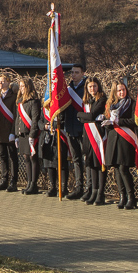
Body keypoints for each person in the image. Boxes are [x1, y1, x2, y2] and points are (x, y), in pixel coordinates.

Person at [102, 81, 138, 209]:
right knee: (116, 168)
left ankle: (131, 197)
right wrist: (107, 122)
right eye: (119, 91)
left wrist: (119, 121)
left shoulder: (131, 103)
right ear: (115, 92)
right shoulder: (111, 105)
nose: (122, 92)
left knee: (124, 168)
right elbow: (109, 123)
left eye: (123, 90)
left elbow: (134, 121)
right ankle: (122, 196)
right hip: (114, 138)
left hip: (126, 138)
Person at [75, 76, 108, 205]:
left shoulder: (102, 99)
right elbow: (88, 118)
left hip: (98, 135)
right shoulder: (87, 101)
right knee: (91, 164)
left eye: (94, 86)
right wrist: (86, 117)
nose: (92, 89)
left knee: (100, 164)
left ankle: (101, 193)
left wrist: (79, 114)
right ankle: (94, 191)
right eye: (90, 87)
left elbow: (91, 115)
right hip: (88, 135)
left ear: (98, 86)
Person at [14, 77, 44, 195]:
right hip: (22, 134)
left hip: (31, 134)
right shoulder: (20, 101)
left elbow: (35, 119)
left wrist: (32, 135)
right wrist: (17, 134)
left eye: (23, 86)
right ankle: (28, 183)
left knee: (33, 158)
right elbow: (17, 119)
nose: (21, 89)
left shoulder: (34, 101)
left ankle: (33, 184)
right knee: (26, 158)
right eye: (20, 86)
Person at [62, 64, 88, 199]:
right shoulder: (67, 89)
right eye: (72, 72)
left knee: (87, 159)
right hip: (70, 128)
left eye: (77, 72)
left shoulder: (87, 88)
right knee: (76, 159)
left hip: (83, 129)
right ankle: (79, 187)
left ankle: (89, 188)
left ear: (83, 73)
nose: (73, 75)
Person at [0, 74, 19, 192]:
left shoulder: (13, 96)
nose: (1, 83)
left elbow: (16, 116)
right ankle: (4, 180)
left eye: (3, 81)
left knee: (13, 157)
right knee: (2, 157)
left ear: (8, 82)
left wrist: (13, 132)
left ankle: (13, 181)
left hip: (9, 131)